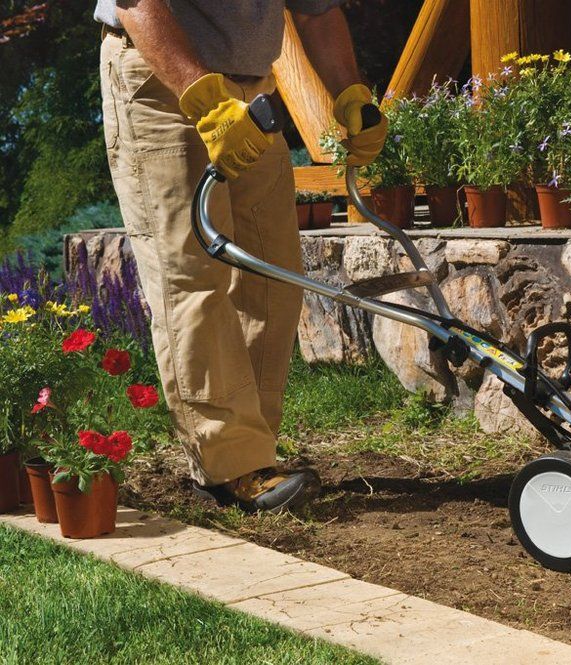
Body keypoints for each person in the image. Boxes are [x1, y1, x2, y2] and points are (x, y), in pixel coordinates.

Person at [94, 0, 386, 513]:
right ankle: (231, 463)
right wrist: (206, 101)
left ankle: (254, 448)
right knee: (191, 277)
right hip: (162, 83)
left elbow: (317, 11)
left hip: (254, 92)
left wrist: (351, 92)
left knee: (273, 277)